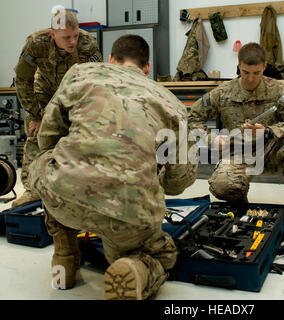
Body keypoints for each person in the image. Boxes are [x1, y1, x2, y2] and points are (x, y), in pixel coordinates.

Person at [28, 34, 197, 299]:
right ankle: (134, 267)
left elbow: (47, 137)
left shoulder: (80, 73)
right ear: (147, 68)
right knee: (162, 254)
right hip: (128, 216)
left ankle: (66, 253)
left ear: (110, 59)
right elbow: (177, 183)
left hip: (63, 198)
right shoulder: (172, 103)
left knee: (45, 159)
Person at [188, 42, 284, 230]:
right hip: (238, 154)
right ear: (239, 65)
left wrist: (269, 130)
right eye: (246, 72)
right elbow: (192, 118)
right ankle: (239, 198)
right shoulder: (223, 92)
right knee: (221, 185)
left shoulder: (278, 91)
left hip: (272, 150)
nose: (250, 79)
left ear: (264, 67)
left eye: (256, 73)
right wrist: (211, 139)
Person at [13, 9, 102, 207]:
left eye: (75, 35)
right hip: (44, 89)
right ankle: (32, 191)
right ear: (53, 34)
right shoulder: (36, 44)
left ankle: (82, 187)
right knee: (37, 135)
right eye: (66, 37)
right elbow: (22, 79)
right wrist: (35, 114)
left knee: (82, 135)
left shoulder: (88, 44)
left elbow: (96, 79)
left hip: (75, 90)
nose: (72, 41)